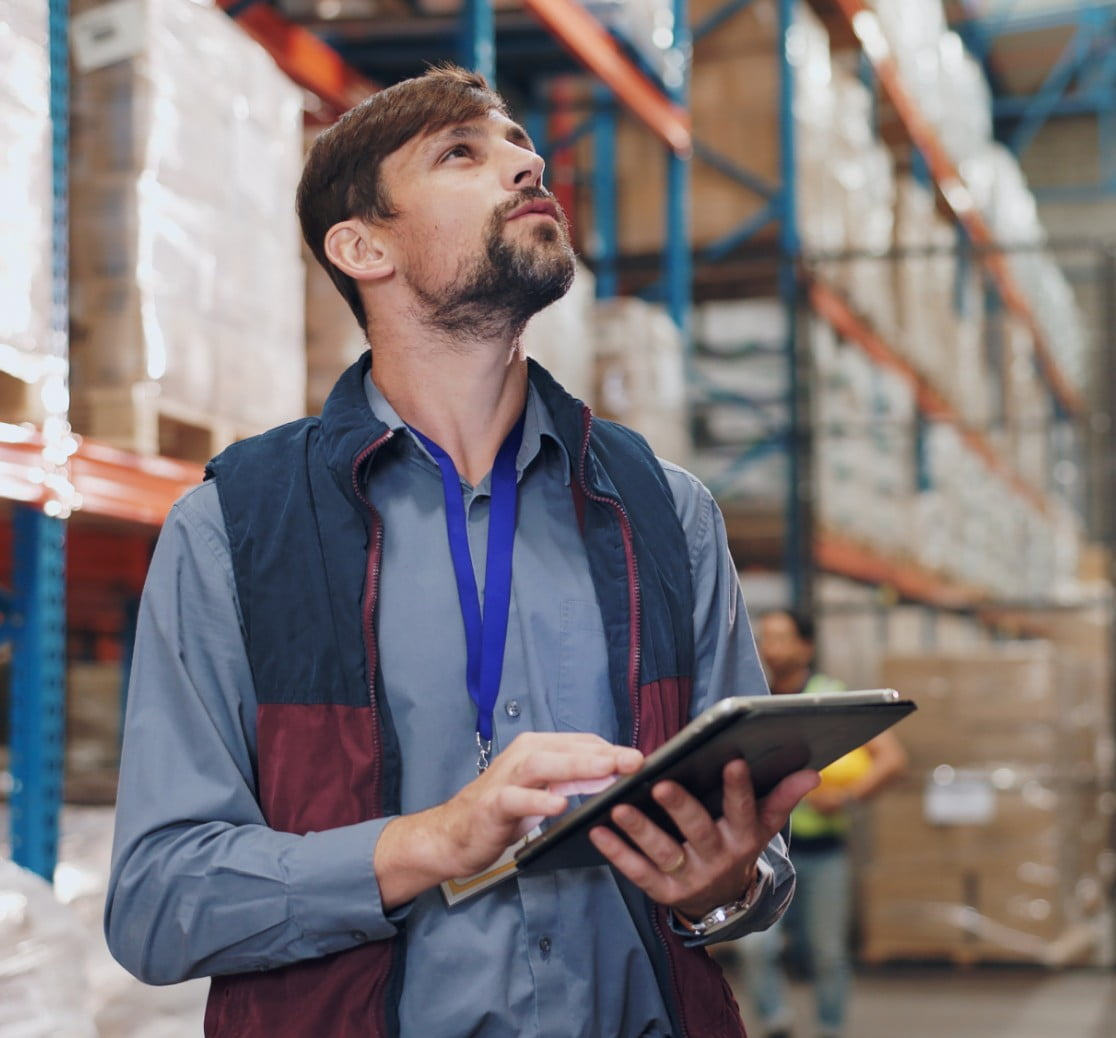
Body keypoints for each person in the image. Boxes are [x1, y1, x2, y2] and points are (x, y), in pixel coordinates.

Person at [104, 65, 821, 1037]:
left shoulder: (665, 513)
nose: (527, 163)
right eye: (462, 153)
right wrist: (433, 840)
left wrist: (722, 883)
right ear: (363, 246)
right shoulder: (238, 529)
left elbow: (748, 872)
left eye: (522, 143)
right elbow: (158, 905)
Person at [739, 610, 906, 1038]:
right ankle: (776, 1022)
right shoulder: (754, 699)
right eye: (765, 637)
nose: (770, 647)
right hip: (766, 855)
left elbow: (892, 759)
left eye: (781, 637)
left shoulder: (829, 698)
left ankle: (831, 1029)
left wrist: (848, 797)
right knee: (756, 945)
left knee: (828, 954)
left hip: (823, 853)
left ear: (806, 646)